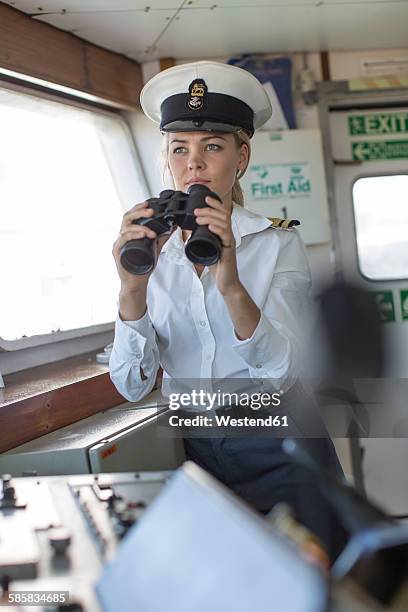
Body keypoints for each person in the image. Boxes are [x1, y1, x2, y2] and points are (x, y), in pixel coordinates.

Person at [109, 61, 347, 563]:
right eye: (180, 149)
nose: (193, 163)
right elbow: (132, 384)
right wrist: (132, 289)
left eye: (212, 146)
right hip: (194, 446)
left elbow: (281, 373)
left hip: (278, 442)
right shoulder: (151, 247)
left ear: (241, 158)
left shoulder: (276, 242)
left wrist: (230, 277)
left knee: (309, 579)